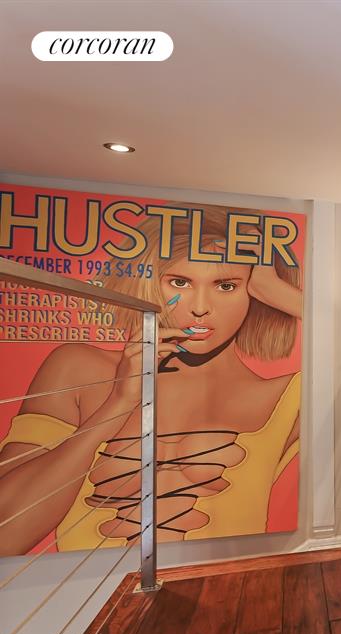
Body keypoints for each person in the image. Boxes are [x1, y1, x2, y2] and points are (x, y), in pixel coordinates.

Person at [0, 204, 302, 555]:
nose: (200, 307)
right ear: (149, 284)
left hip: (224, 582)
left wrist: (275, 290)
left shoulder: (287, 396)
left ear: (253, 293)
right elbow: (7, 537)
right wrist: (118, 405)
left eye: (226, 285)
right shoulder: (77, 368)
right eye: (180, 282)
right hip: (88, 585)